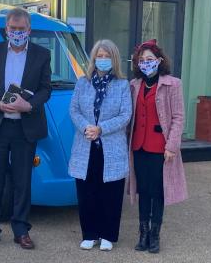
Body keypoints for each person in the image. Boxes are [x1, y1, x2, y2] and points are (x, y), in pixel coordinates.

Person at [0, 7, 52, 249]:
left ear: (29, 30)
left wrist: (28, 105)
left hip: (25, 127)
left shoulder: (42, 55)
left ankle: (21, 230)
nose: (17, 33)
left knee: (22, 181)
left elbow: (45, 89)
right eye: (13, 29)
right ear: (6, 29)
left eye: (21, 29)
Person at [69, 39, 132, 251]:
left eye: (107, 56)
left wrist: (101, 128)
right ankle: (90, 233)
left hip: (111, 146)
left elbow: (125, 115)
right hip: (85, 144)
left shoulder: (122, 85)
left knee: (111, 192)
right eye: (99, 55)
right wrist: (87, 127)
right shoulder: (82, 82)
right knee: (87, 191)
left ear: (114, 59)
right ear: (93, 58)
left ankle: (107, 235)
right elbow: (74, 110)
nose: (102, 59)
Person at [129, 39, 188, 254]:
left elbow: (179, 117)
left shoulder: (173, 84)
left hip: (160, 148)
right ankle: (142, 233)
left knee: (158, 191)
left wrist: (172, 145)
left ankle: (155, 234)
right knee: (143, 191)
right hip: (139, 146)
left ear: (159, 60)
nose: (146, 63)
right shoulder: (134, 85)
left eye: (150, 59)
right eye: (142, 60)